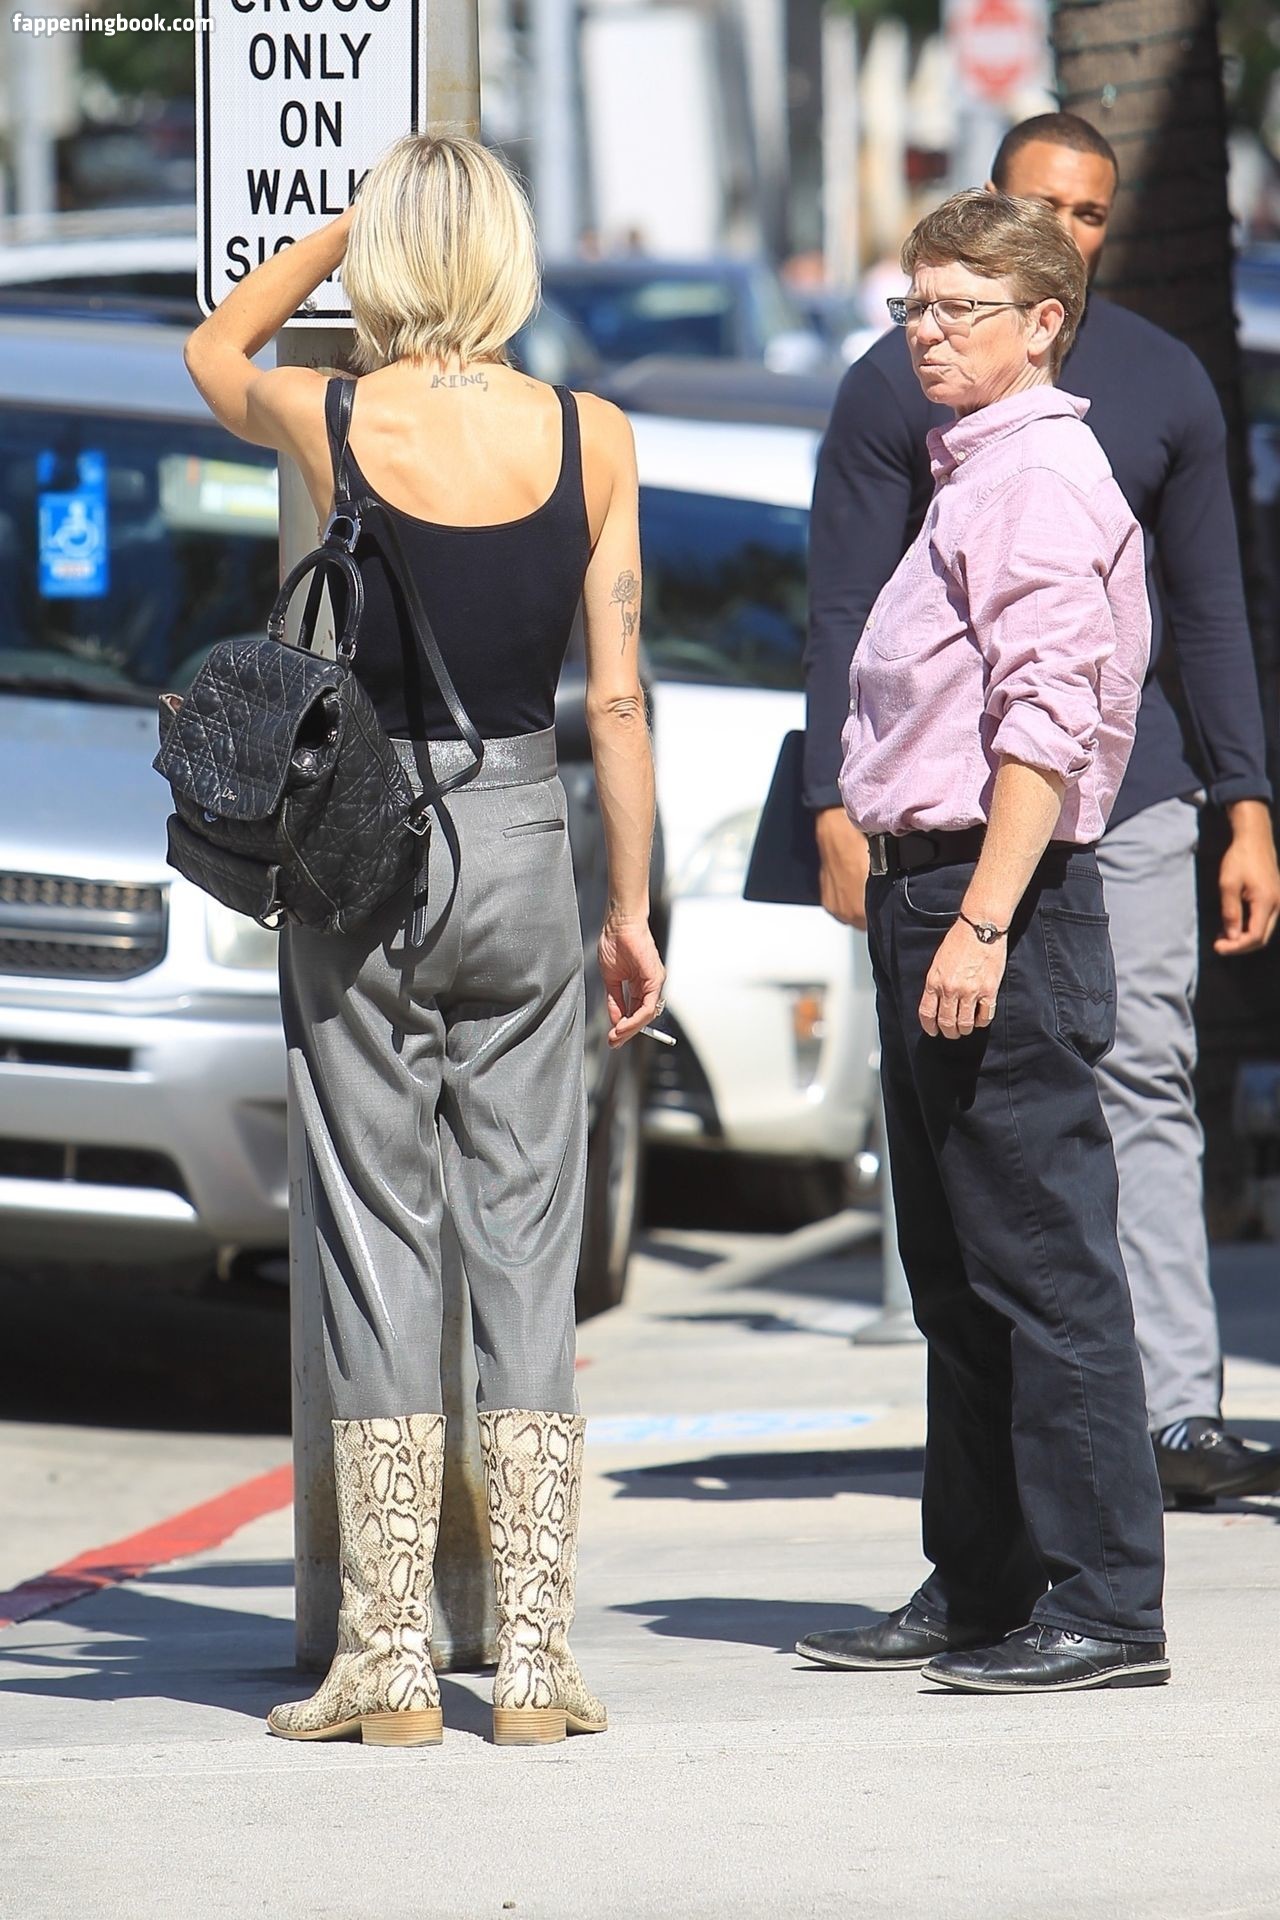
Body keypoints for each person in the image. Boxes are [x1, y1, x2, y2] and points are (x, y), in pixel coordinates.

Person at [184, 133, 664, 1747]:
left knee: (373, 1226)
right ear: (513, 258)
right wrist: (627, 908)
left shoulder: (335, 418)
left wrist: (339, 232)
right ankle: (531, 1657)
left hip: (362, 847)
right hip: (525, 840)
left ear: (395, 260)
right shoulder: (592, 434)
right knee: (527, 1233)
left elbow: (213, 349)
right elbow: (617, 698)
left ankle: (387, 1657)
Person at [803, 112, 1280, 1508]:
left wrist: (1247, 800)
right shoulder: (905, 382)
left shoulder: (1151, 388)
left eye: (1088, 213)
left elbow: (1209, 606)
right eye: (1038, 206)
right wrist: (832, 796)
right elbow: (849, 610)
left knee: (1138, 1083)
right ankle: (1012, 1502)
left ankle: (1172, 1414)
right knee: (976, 1171)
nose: (1064, 229)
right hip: (956, 811)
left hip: (1119, 798)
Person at [798, 189, 1169, 1694]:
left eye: (962, 309)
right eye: (915, 306)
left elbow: (1046, 720)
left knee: (1043, 1269)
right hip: (933, 894)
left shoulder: (1036, 478)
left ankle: (1106, 1605)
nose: (928, 334)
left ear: (1043, 324)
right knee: (955, 1273)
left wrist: (984, 920)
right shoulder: (975, 469)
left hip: (990, 895)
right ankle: (983, 1582)